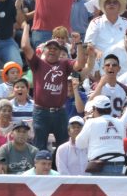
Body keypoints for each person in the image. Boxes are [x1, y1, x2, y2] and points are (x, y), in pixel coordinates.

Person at [21, 23, 85, 151]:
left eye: (55, 48)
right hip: (41, 112)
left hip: (60, 112)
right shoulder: (37, 63)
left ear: (60, 51)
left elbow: (80, 64)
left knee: (63, 147)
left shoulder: (65, 63)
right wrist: (26, 28)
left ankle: (61, 170)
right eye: (49, 48)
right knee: (40, 147)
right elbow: (24, 46)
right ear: (44, 50)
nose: (52, 50)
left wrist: (78, 43)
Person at [75, 95, 125, 175]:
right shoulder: (119, 122)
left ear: (94, 109)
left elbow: (79, 144)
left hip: (100, 165)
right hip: (120, 164)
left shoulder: (91, 122)